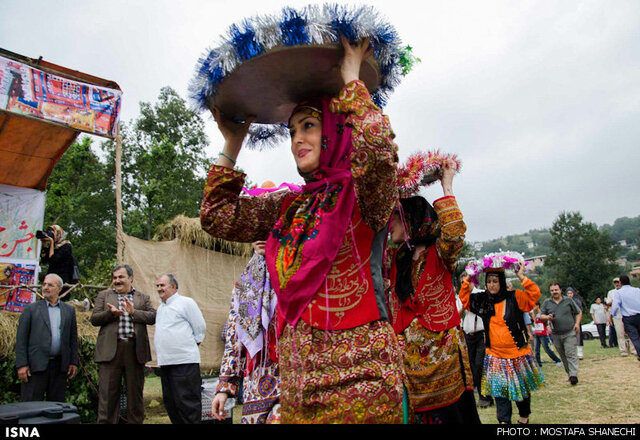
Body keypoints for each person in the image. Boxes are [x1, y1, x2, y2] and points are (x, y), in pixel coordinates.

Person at [200, 37, 405, 423]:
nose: (297, 140)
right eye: (292, 131)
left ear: (335, 129)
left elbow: (378, 148)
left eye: (309, 126)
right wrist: (233, 140)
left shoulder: (366, 193)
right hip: (298, 388)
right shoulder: (290, 205)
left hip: (363, 382)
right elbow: (218, 216)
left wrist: (350, 78)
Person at [386, 172, 480, 424]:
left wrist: (446, 184)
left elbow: (453, 233)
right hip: (410, 367)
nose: (389, 224)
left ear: (409, 220)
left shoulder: (440, 253)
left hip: (444, 359)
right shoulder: (394, 259)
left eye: (394, 217)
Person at [459, 263, 544, 425]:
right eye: (489, 281)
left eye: (495, 281)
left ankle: (524, 418)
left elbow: (534, 295)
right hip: (495, 356)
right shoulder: (482, 300)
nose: (492, 284)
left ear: (502, 282)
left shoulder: (516, 297)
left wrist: (521, 276)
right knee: (500, 393)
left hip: (518, 354)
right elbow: (464, 298)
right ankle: (504, 422)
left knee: (522, 391)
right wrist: (470, 276)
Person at [212, 241, 280, 424]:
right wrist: (224, 387)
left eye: (266, 228)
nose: (260, 237)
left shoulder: (303, 272)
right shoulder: (244, 285)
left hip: (293, 378)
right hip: (256, 384)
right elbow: (235, 337)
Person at [90, 264, 156, 424]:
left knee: (135, 396)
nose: (117, 280)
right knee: (107, 396)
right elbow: (94, 319)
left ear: (131, 278)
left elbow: (153, 317)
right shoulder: (104, 295)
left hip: (135, 351)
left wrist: (133, 312)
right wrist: (110, 314)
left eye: (121, 277)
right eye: (115, 278)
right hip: (110, 352)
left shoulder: (142, 297)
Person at [15, 273, 78, 402]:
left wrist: (72, 362)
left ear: (59, 289)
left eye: (50, 285)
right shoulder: (31, 309)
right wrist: (22, 364)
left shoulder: (69, 311)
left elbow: (72, 339)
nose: (45, 287)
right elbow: (21, 339)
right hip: (35, 366)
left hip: (59, 367)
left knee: (55, 408)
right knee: (30, 407)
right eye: (44, 284)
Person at [154, 274, 206, 424]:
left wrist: (192, 344)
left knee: (187, 404)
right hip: (166, 363)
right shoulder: (161, 308)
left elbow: (200, 327)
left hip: (184, 363)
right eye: (157, 286)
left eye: (162, 285)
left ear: (173, 287)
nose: (159, 289)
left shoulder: (186, 303)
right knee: (171, 404)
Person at [459, 272, 493, 408]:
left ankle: (486, 396)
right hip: (468, 334)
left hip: (481, 333)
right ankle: (481, 395)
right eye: (462, 282)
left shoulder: (481, 294)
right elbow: (459, 316)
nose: (465, 284)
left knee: (480, 365)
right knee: (472, 367)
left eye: (468, 281)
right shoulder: (460, 297)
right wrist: (462, 305)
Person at [540, 283, 582, 385]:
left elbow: (578, 312)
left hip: (569, 332)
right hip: (556, 334)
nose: (554, 292)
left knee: (570, 353)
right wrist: (547, 317)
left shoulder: (568, 300)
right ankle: (570, 374)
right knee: (563, 356)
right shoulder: (547, 302)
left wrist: (577, 324)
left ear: (560, 290)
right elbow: (541, 316)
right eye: (552, 290)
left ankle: (573, 375)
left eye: (556, 290)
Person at [38, 225, 77, 300]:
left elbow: (53, 260)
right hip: (51, 275)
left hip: (62, 277)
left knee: (59, 300)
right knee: (46, 298)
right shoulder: (54, 247)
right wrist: (44, 244)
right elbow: (44, 260)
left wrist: (52, 243)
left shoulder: (66, 246)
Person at [610, 275, 640, 362]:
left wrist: (612, 315)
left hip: (628, 318)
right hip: (639, 315)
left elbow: (615, 306)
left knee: (634, 337)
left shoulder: (619, 293)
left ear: (621, 283)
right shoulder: (637, 290)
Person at [531, 302, 562, 368]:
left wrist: (548, 328)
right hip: (536, 334)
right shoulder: (536, 315)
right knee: (536, 350)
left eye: (533, 306)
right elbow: (535, 323)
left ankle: (558, 360)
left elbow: (546, 322)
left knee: (546, 349)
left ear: (537, 306)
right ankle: (538, 364)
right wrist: (533, 316)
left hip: (542, 334)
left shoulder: (542, 314)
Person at [566, 287, 584, 359]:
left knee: (578, 336)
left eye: (571, 293)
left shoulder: (577, 301)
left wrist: (578, 321)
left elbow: (579, 311)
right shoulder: (565, 301)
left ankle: (580, 352)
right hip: (568, 321)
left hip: (576, 320)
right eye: (568, 293)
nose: (570, 295)